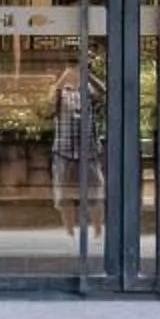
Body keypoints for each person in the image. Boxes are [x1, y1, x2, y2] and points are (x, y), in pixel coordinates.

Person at [49, 62, 98, 236]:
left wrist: (86, 74)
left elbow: (105, 94)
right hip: (64, 150)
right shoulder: (61, 94)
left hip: (88, 150)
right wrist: (66, 75)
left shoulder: (88, 92)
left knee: (94, 193)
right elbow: (51, 98)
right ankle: (69, 232)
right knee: (64, 195)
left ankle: (97, 231)